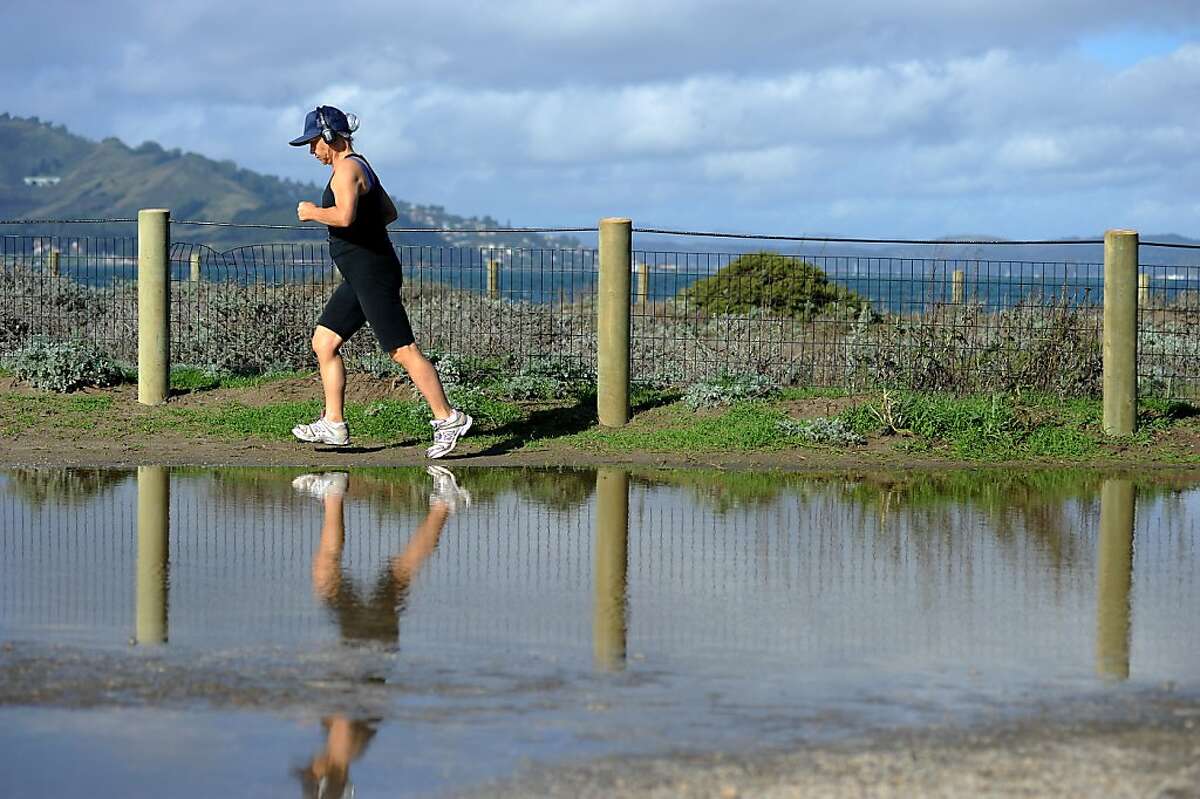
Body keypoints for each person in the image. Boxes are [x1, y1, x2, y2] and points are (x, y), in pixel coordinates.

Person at [288, 105, 471, 459]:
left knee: (402, 351)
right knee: (324, 342)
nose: (312, 151)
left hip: (371, 273)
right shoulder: (361, 165)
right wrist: (365, 232)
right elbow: (388, 212)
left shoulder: (345, 171)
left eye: (313, 143)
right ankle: (334, 424)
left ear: (330, 137)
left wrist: (312, 213)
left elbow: (343, 216)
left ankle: (448, 418)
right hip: (363, 272)